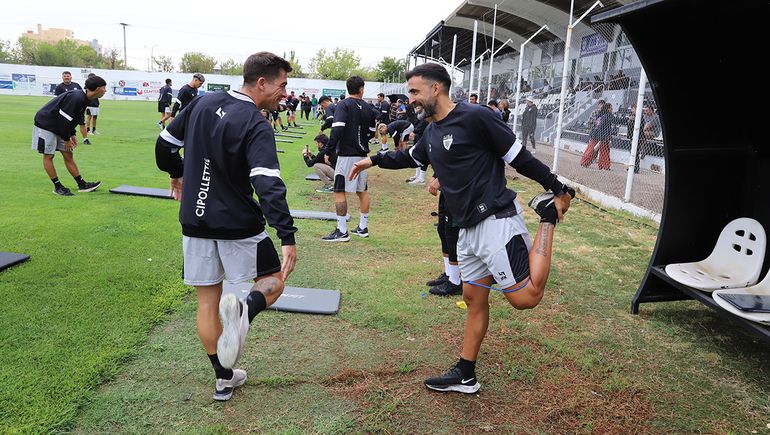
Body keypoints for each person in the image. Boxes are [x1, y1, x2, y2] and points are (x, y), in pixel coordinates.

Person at [349, 63, 574, 394]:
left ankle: (546, 219)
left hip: (496, 220)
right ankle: (465, 374)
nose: (410, 98)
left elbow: (518, 156)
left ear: (436, 89)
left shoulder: (476, 117)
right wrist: (373, 159)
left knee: (526, 297)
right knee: (472, 297)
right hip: (466, 230)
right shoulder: (432, 131)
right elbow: (411, 156)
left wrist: (557, 188)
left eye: (415, 91)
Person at [155, 51, 297, 402]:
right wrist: (287, 235)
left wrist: (176, 174)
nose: (285, 93)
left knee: (207, 303)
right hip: (238, 224)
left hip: (194, 221)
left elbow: (163, 145)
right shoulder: (256, 123)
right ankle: (244, 312)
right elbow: (267, 184)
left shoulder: (202, 104)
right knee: (273, 282)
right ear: (262, 82)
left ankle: (223, 377)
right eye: (282, 85)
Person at [321, 75, 377, 242]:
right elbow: (370, 132)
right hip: (362, 155)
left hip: (346, 155)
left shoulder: (343, 105)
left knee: (339, 190)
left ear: (348, 88)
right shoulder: (368, 107)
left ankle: (342, 230)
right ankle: (362, 227)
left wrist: (328, 150)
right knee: (362, 191)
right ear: (361, 89)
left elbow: (337, 130)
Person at [32, 75, 105, 196]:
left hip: (60, 125)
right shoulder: (77, 97)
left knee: (68, 154)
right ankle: (58, 186)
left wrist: (72, 134)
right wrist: (66, 138)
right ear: (97, 89)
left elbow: (75, 117)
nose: (105, 90)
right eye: (104, 87)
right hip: (46, 123)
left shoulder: (86, 98)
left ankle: (81, 184)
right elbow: (63, 120)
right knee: (49, 155)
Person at [54, 71, 91, 145]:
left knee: (82, 123)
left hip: (77, 109)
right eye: (65, 76)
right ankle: (67, 138)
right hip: (66, 110)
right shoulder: (59, 87)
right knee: (67, 123)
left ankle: (85, 139)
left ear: (71, 77)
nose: (66, 77)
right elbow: (56, 100)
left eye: (68, 76)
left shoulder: (76, 85)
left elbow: (83, 95)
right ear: (62, 77)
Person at [580, 102, 614, 170]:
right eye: (611, 108)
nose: (612, 109)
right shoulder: (608, 116)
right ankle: (605, 166)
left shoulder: (600, 115)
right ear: (608, 109)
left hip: (595, 135)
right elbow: (602, 126)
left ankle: (584, 162)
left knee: (591, 150)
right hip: (603, 136)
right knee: (605, 152)